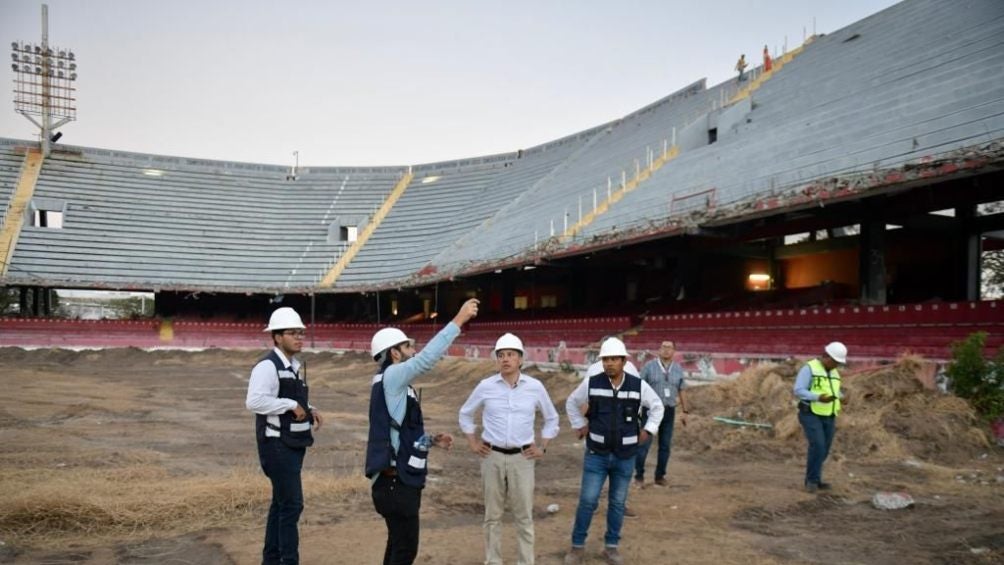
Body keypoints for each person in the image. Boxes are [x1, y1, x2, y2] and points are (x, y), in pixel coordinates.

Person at [365, 298, 480, 565]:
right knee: (405, 551)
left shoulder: (395, 386)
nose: (412, 351)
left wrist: (430, 440)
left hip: (394, 482)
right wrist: (458, 320)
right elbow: (427, 360)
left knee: (396, 545)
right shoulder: (393, 377)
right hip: (397, 485)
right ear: (394, 353)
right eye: (406, 347)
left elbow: (400, 435)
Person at [459, 332, 560, 565]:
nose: (505, 359)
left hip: (523, 458)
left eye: (511, 355)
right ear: (496, 360)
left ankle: (525, 562)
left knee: (523, 516)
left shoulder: (535, 387)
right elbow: (465, 414)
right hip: (491, 456)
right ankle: (493, 561)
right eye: (501, 355)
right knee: (492, 516)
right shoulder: (485, 386)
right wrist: (473, 442)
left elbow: (552, 418)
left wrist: (543, 447)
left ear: (520, 359)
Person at [564, 337, 664, 565]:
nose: (609, 363)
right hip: (596, 455)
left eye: (614, 359)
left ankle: (611, 547)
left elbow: (657, 407)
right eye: (606, 359)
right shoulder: (592, 383)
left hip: (625, 456)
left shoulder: (637, 385)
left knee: (618, 503)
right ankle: (577, 547)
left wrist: (649, 430)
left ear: (622, 361)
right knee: (588, 501)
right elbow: (571, 402)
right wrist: (579, 425)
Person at [246, 307, 324, 565]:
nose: (299, 337)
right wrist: (290, 406)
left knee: (281, 505)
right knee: (292, 506)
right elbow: (255, 401)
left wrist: (310, 409)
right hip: (277, 446)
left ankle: (271, 559)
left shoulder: (291, 366)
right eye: (292, 333)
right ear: (277, 337)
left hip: (292, 445)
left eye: (301, 332)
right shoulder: (267, 366)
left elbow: (291, 396)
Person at [793, 341, 848, 493]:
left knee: (824, 449)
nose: (837, 365)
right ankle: (811, 481)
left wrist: (842, 397)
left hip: (829, 414)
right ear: (826, 356)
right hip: (810, 412)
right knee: (818, 445)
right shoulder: (809, 368)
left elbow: (834, 391)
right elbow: (798, 390)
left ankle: (815, 479)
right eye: (835, 362)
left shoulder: (835, 373)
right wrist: (817, 397)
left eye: (839, 363)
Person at [634, 341, 689, 487]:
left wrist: (685, 411)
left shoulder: (678, 369)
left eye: (669, 347)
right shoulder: (649, 367)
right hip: (650, 411)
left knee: (665, 445)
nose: (666, 350)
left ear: (674, 351)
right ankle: (639, 476)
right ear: (659, 350)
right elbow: (639, 386)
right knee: (644, 444)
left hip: (669, 411)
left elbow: (682, 389)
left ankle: (660, 476)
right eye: (663, 347)